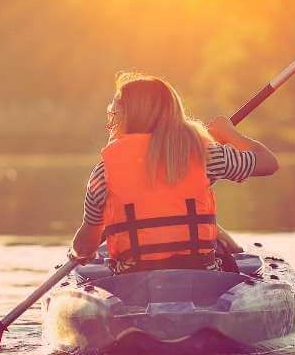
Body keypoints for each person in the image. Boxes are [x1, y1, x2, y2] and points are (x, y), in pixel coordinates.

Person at [69, 73, 279, 273]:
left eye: (114, 113)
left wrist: (78, 252)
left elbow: (85, 246)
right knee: (220, 241)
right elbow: (268, 162)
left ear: (125, 118)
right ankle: (234, 249)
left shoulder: (103, 173)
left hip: (132, 280)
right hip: (202, 277)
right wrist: (230, 134)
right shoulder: (204, 155)